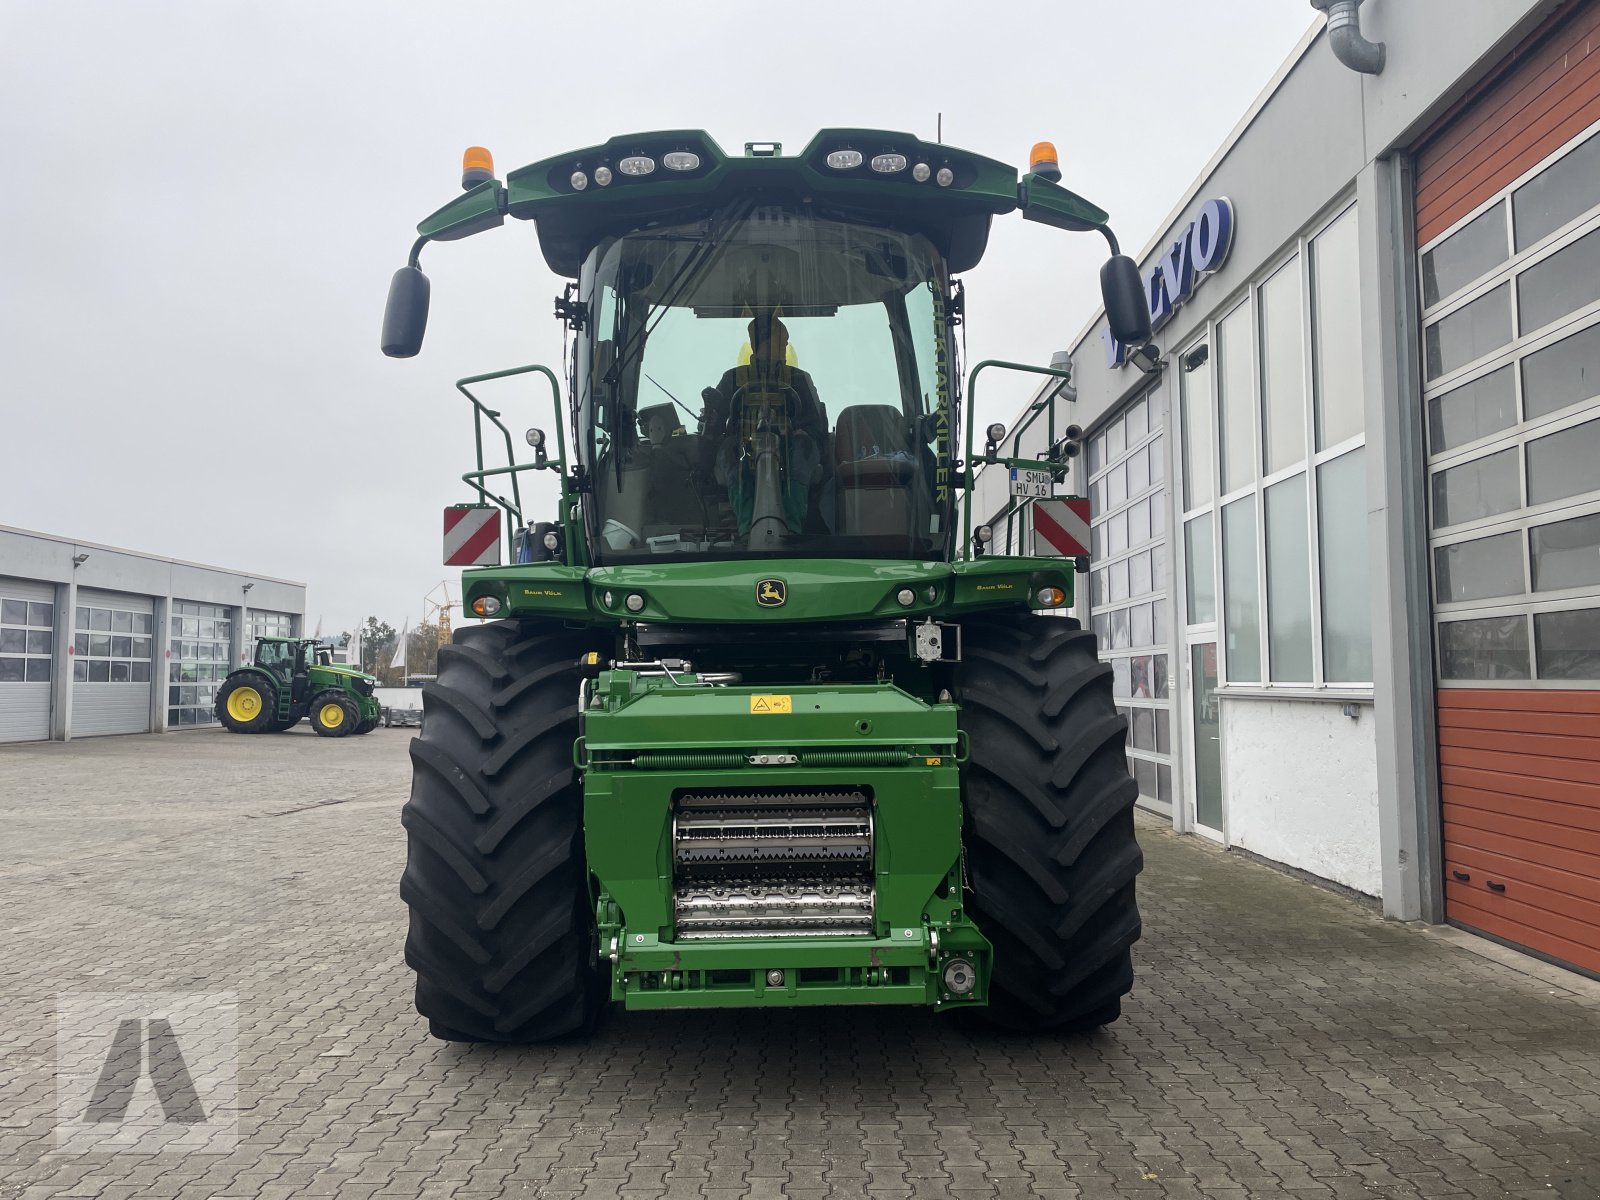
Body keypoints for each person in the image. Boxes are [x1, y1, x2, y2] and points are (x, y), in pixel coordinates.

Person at [698, 313, 829, 535]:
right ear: (762, 341)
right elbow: (715, 425)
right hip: (744, 448)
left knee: (803, 447)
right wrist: (711, 415)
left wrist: (799, 432)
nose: (784, 347)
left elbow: (816, 427)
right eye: (781, 341)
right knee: (728, 449)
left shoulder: (800, 379)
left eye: (785, 342)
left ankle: (792, 526)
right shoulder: (732, 378)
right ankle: (747, 527)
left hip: (789, 448)